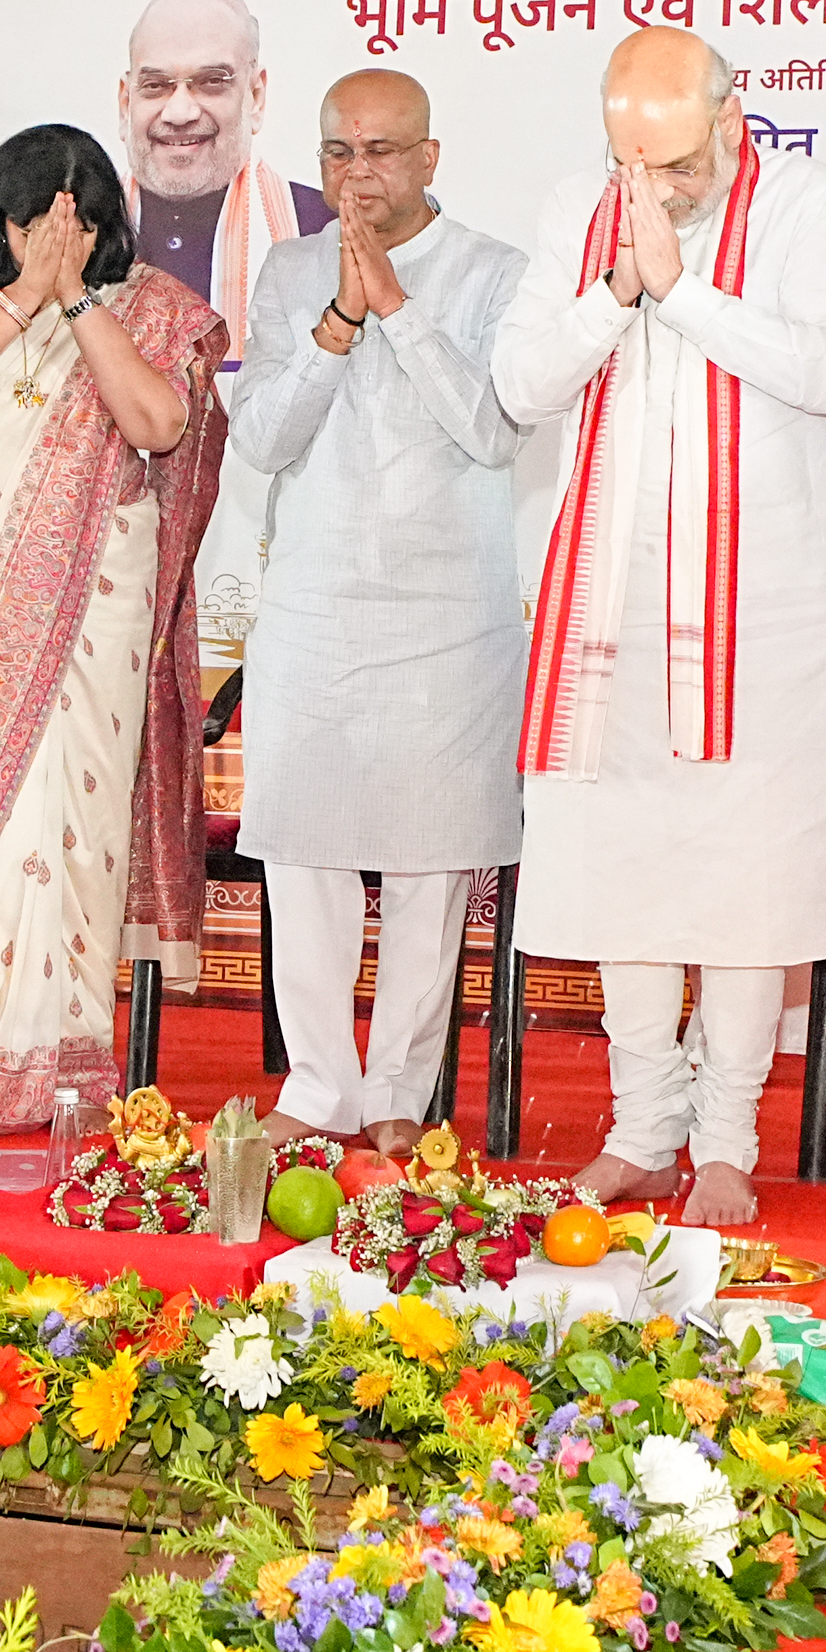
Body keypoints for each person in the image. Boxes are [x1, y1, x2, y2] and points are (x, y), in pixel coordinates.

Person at [496, 27, 826, 1229]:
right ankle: (638, 1126)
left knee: (745, 873)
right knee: (627, 866)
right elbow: (521, 387)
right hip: (612, 602)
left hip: (766, 607)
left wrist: (685, 288)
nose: (660, 191)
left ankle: (725, 1137)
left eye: (680, 165)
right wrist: (619, 288)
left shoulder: (804, 206)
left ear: (731, 120)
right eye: (639, 166)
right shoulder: (582, 208)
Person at [0, 124, 226, 1139]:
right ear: (0, 218)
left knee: (67, 829)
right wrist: (20, 296)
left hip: (92, 614)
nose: (57, 243)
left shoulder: (146, 308)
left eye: (80, 231)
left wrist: (74, 299)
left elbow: (159, 425)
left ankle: (57, 1068)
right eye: (38, 226)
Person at [225, 68, 527, 1153]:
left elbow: (493, 430)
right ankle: (318, 1086)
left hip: (448, 612)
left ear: (431, 158)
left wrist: (399, 308)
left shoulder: (495, 274)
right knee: (301, 850)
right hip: (316, 601)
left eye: (385, 151)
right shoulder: (291, 271)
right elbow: (261, 437)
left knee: (429, 859)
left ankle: (401, 1086)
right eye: (340, 154)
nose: (361, 174)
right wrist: (339, 321)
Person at [118, 0, 329, 348]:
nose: (179, 112)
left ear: (256, 98)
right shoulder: (66, 233)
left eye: (211, 82)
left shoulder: (326, 232)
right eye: (155, 85)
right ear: (125, 103)